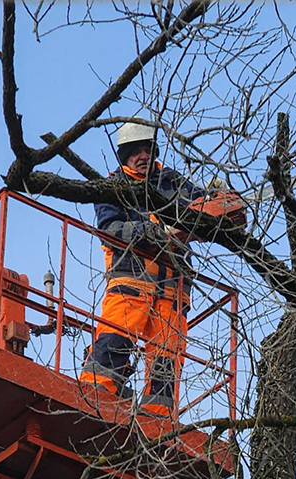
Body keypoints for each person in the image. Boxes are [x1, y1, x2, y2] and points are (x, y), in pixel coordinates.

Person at [80, 119, 205, 417]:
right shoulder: (113, 186)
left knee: (167, 356)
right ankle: (94, 394)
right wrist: (152, 232)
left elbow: (203, 205)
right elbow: (110, 229)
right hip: (131, 281)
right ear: (124, 157)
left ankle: (158, 417)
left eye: (147, 149)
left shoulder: (172, 181)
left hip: (173, 290)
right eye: (136, 151)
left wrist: (212, 202)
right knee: (116, 338)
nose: (143, 156)